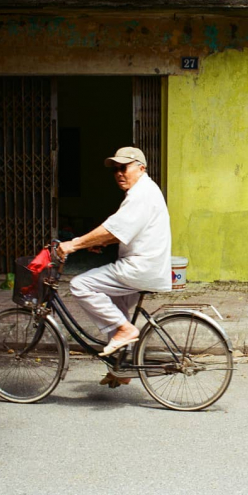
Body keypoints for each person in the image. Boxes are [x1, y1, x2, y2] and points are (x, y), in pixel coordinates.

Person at [57, 147, 171, 386]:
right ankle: (122, 367)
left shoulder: (141, 194)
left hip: (138, 268)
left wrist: (74, 244)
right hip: (144, 266)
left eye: (124, 167)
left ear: (141, 168)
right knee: (117, 314)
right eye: (116, 169)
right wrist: (96, 243)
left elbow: (112, 229)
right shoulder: (144, 191)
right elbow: (120, 232)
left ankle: (125, 333)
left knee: (80, 284)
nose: (119, 173)